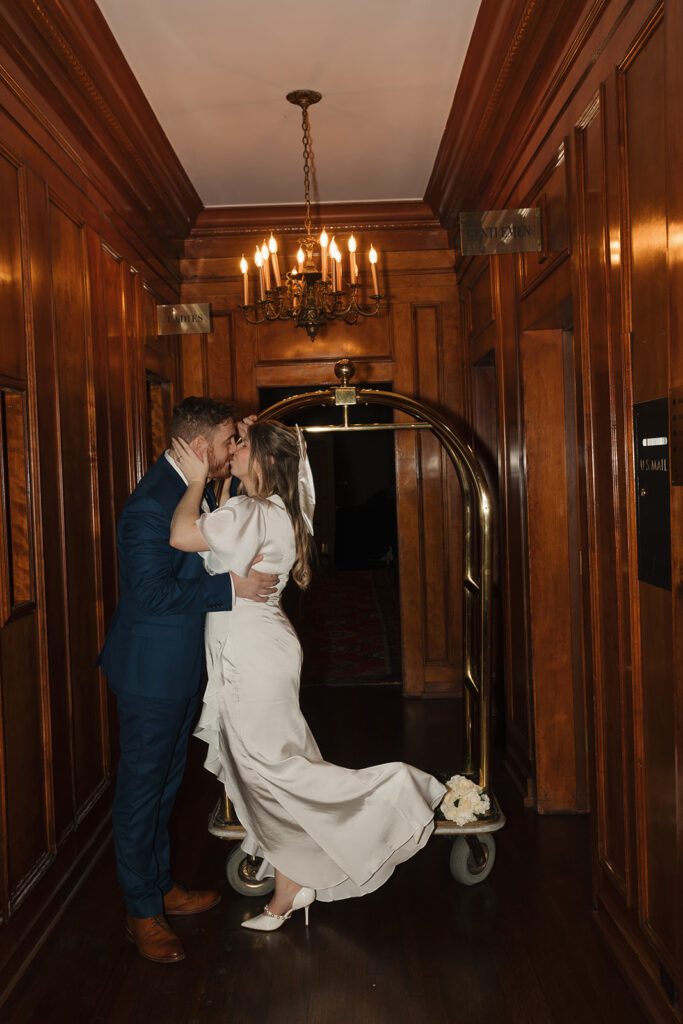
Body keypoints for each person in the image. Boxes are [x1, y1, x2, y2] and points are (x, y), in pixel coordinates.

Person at [169, 420, 446, 931]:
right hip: (262, 646)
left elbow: (181, 535)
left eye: (241, 444)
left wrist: (191, 482)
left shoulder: (252, 511)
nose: (233, 449)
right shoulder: (272, 510)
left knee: (272, 769)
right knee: (270, 767)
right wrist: (228, 484)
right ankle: (289, 888)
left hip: (250, 654)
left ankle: (396, 793)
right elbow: (221, 542)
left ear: (265, 462)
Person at [98, 397, 278, 963]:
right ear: (200, 448)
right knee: (140, 793)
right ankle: (141, 912)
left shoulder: (194, 486)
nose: (232, 451)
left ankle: (160, 887)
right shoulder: (150, 504)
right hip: (150, 673)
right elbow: (150, 593)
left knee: (165, 787)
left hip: (178, 670)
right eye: (228, 441)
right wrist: (231, 591)